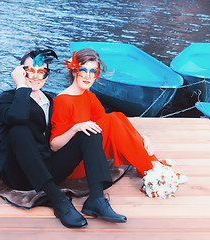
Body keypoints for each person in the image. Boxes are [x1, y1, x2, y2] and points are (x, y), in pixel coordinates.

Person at [0, 49, 126, 229]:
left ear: (47, 75)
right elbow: (19, 117)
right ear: (22, 72)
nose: (36, 76)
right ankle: (59, 201)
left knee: (88, 129)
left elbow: (55, 141)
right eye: (30, 71)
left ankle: (96, 199)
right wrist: (22, 85)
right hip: (19, 175)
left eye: (42, 72)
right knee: (19, 130)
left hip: (47, 167)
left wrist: (78, 127)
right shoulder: (6, 99)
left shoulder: (50, 100)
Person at [50, 48, 186, 186]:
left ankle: (152, 164)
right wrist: (76, 128)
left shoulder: (89, 96)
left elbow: (108, 129)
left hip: (89, 155)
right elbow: (54, 145)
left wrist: (141, 138)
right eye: (83, 70)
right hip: (73, 166)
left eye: (93, 72)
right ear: (74, 71)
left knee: (117, 117)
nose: (87, 76)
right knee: (113, 118)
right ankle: (153, 170)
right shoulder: (62, 101)